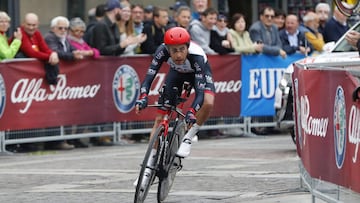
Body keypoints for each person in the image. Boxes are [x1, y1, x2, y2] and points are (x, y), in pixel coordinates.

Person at [135, 27, 215, 158]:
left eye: (182, 49)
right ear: (167, 49)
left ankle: (188, 137)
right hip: (177, 73)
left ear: (187, 48)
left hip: (198, 74)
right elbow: (149, 76)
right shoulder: (161, 51)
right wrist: (143, 97)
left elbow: (199, 93)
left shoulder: (197, 56)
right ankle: (149, 163)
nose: (178, 55)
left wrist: (191, 112)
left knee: (208, 102)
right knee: (160, 118)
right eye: (174, 50)